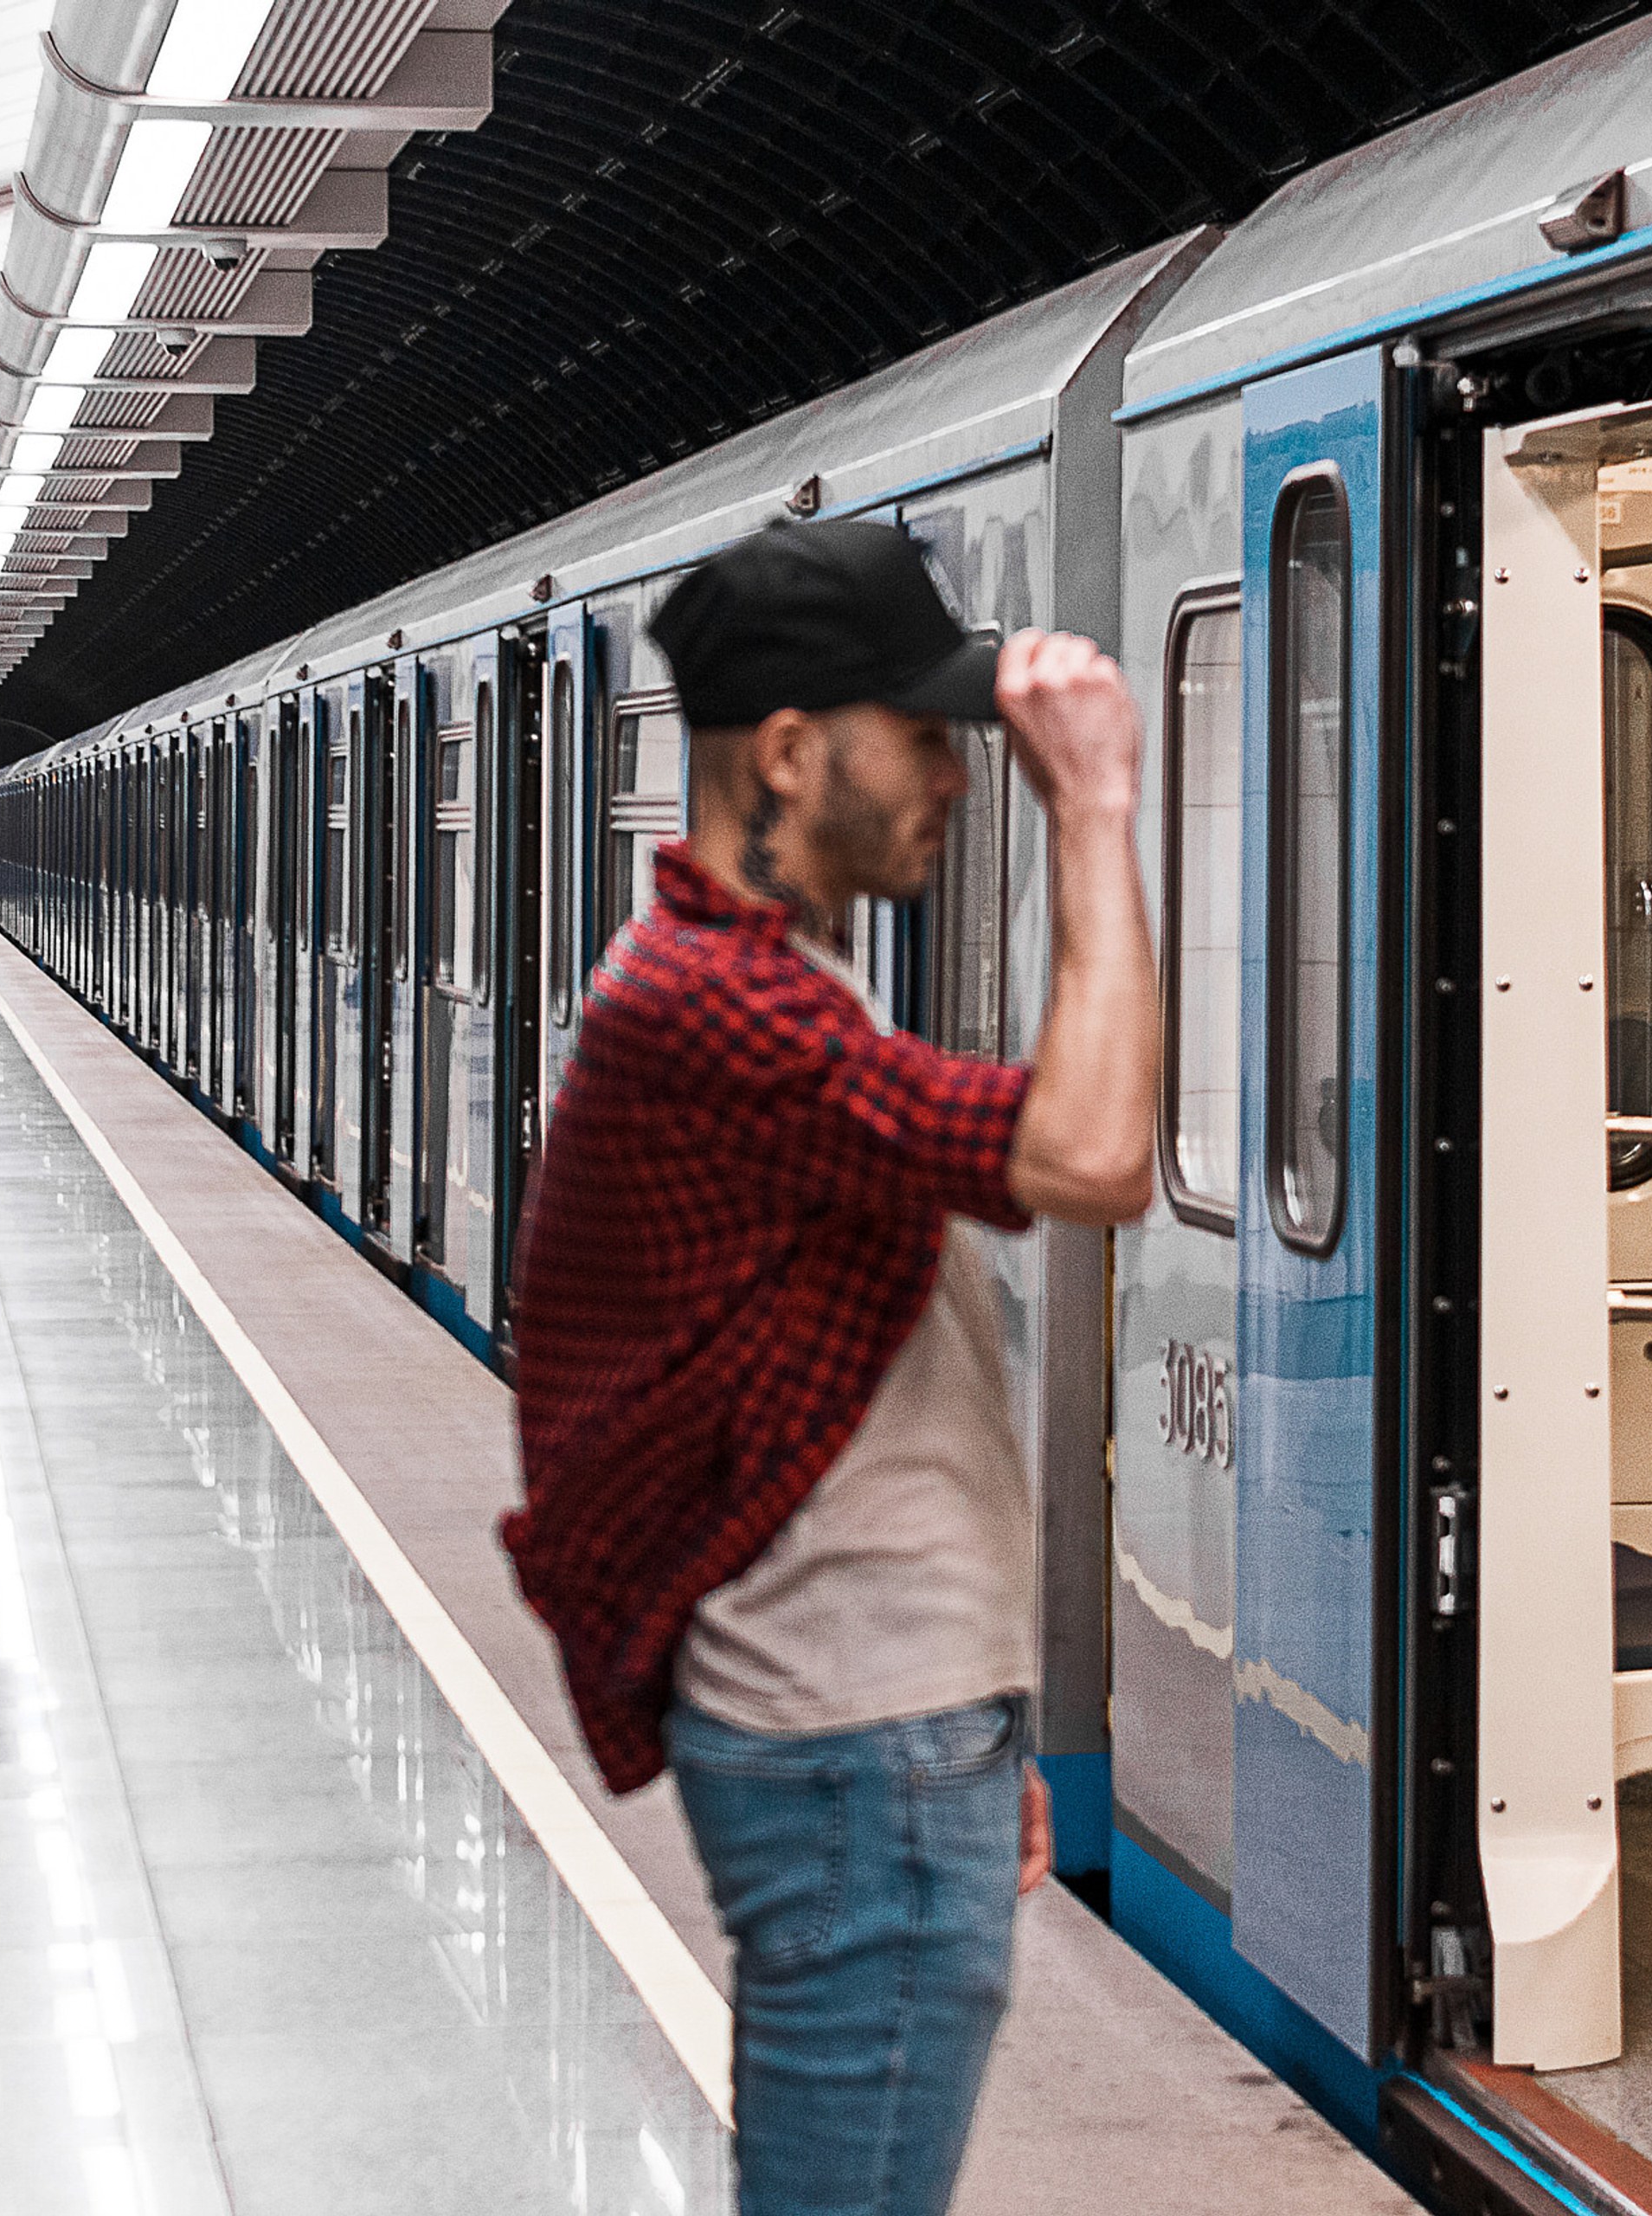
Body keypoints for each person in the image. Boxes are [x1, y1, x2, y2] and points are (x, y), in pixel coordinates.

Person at [503, 519, 1160, 2216]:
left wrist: (974, 1716)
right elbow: (1091, 1153)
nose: (956, 776)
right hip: (850, 1742)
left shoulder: (754, 980)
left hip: (883, 1733)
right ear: (790, 753)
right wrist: (1091, 806)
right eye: (920, 737)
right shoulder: (721, 1009)